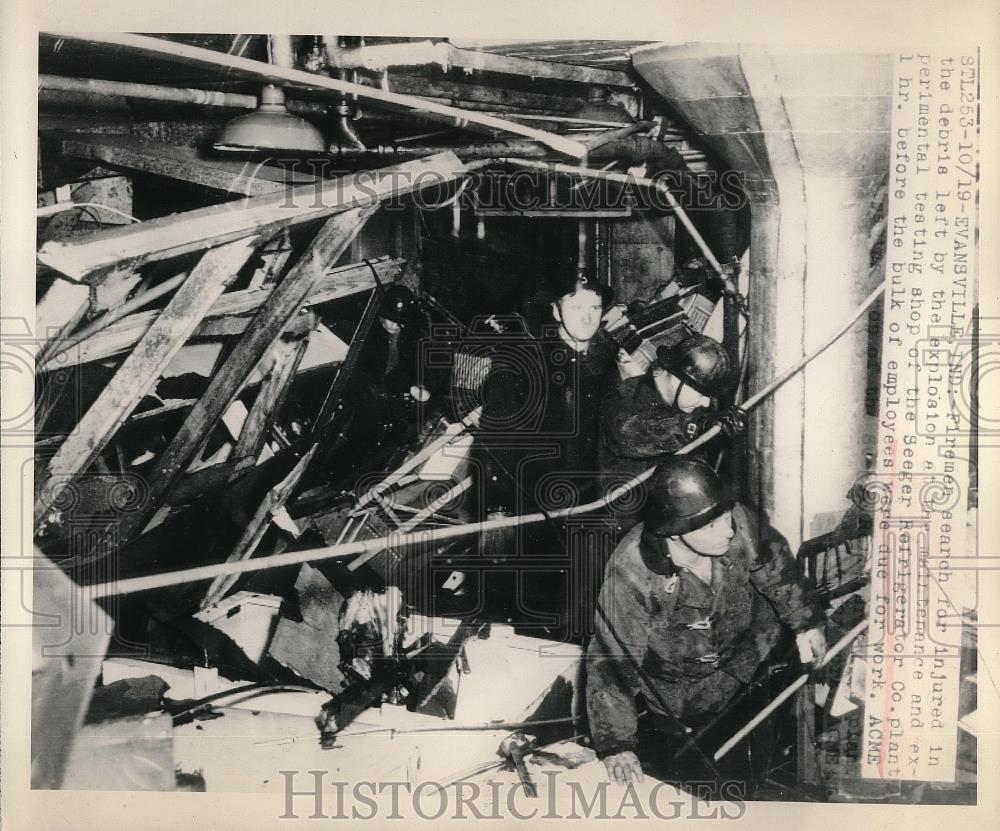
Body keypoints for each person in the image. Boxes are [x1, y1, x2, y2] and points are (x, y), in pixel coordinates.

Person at [586, 457, 827, 786]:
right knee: (704, 782)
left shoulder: (731, 520)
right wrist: (616, 744)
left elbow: (777, 568)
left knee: (766, 755)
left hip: (751, 658)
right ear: (672, 532)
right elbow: (613, 660)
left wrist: (808, 622)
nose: (728, 530)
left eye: (726, 516)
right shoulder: (630, 575)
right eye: (711, 526)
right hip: (685, 695)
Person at [599, 333, 745, 532]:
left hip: (678, 525)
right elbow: (632, 431)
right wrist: (697, 426)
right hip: (624, 533)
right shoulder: (624, 397)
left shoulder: (691, 410)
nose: (706, 402)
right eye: (702, 393)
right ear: (677, 379)